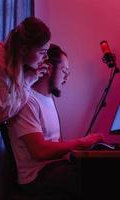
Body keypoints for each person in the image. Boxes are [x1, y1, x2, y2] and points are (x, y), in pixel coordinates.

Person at [7, 44, 103, 199]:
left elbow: (55, 144)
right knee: (96, 179)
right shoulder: (28, 101)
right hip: (35, 177)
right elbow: (40, 151)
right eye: (64, 71)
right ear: (49, 68)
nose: (67, 78)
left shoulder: (48, 99)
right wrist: (81, 142)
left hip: (53, 168)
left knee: (101, 168)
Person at [0, 16, 51, 137]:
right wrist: (27, 82)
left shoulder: (12, 66)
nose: (46, 58)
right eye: (42, 52)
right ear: (24, 50)